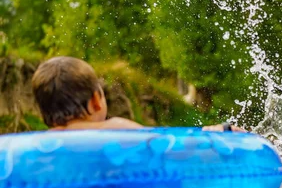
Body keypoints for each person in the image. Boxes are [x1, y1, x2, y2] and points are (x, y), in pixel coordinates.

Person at [32, 56, 243, 132]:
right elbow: (169, 150)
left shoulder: (36, 148)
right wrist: (212, 134)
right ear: (97, 100)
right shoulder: (116, 129)